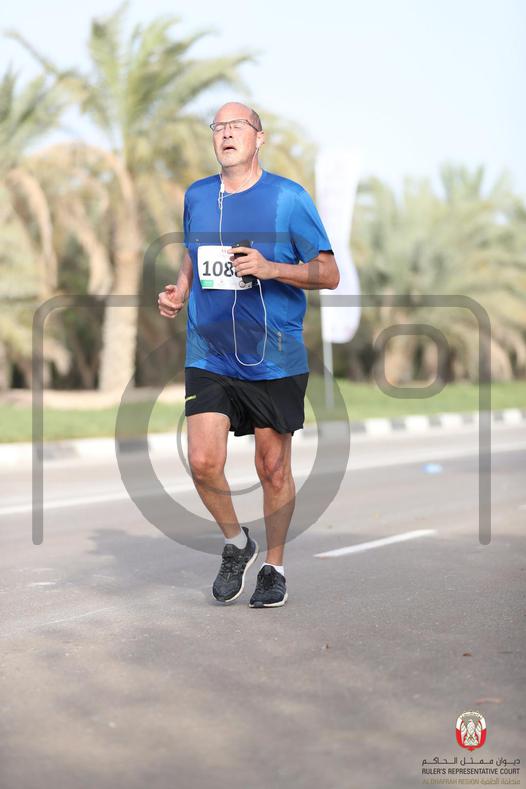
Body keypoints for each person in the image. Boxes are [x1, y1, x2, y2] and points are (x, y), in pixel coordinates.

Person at [158, 101, 339, 608]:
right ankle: (237, 543)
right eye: (219, 127)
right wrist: (179, 290)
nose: (227, 133)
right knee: (202, 461)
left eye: (238, 126)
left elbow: (329, 273)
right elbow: (193, 252)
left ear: (259, 138)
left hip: (272, 355)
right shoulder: (197, 195)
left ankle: (274, 567)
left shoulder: (288, 198)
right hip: (209, 351)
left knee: (272, 467)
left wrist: (271, 267)